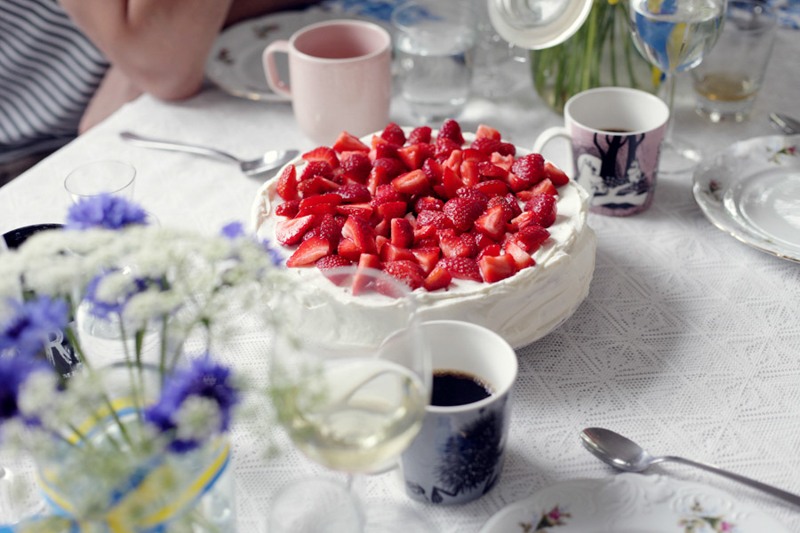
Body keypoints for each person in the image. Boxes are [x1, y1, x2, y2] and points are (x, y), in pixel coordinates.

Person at [0, 0, 316, 185]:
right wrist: (143, 57)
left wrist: (133, 63)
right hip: (28, 149)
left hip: (136, 78)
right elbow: (162, 63)